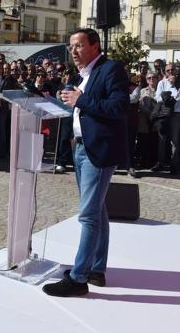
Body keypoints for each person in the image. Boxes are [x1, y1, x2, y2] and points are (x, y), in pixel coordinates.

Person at [43, 28, 129, 297]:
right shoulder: (82, 75)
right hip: (80, 148)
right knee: (98, 212)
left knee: (89, 215)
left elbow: (118, 108)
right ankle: (96, 269)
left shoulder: (111, 69)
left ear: (95, 45)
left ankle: (79, 278)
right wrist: (67, 102)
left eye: (79, 45)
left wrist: (81, 99)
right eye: (71, 47)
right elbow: (86, 109)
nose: (74, 51)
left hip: (98, 152)